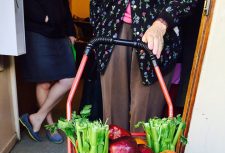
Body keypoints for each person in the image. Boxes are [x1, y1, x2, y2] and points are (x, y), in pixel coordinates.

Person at [90, 0, 198, 131]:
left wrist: (162, 23)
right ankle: (117, 150)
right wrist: (97, 27)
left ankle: (142, 149)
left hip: (158, 32)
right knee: (114, 122)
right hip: (111, 26)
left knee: (145, 121)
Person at [19, 0, 76, 143]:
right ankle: (51, 126)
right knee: (44, 82)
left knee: (69, 79)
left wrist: (71, 31)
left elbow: (64, 4)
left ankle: (37, 117)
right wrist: (43, 17)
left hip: (60, 32)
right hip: (38, 31)